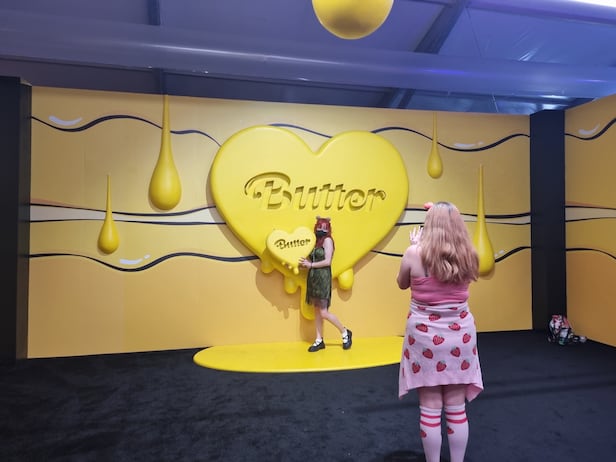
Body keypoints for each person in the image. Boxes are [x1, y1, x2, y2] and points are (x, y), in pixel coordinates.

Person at [396, 201, 483, 462]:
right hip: (461, 337)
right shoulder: (469, 253)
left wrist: (414, 246)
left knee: (430, 407)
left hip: (425, 340)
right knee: (457, 408)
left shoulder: (414, 253)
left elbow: (402, 283)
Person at [299, 217, 352, 353]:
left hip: (323, 277)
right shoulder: (315, 241)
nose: (321, 229)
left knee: (323, 312)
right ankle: (319, 340)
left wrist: (310, 265)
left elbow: (327, 261)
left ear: (328, 228)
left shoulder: (327, 240)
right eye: (319, 226)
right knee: (316, 310)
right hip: (313, 278)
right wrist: (305, 263)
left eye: (324, 227)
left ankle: (345, 332)